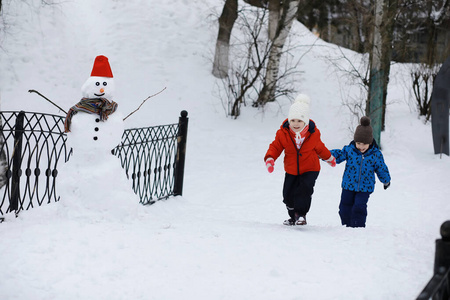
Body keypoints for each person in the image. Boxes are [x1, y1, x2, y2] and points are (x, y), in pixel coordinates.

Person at [264, 94, 336, 226]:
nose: (295, 124)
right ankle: (293, 216)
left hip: (310, 168)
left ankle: (301, 215)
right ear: (289, 120)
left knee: (304, 190)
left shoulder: (313, 134)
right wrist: (270, 158)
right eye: (293, 120)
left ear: (306, 122)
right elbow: (276, 146)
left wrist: (329, 158)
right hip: (291, 169)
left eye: (299, 121)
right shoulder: (283, 134)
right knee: (287, 195)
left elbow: (320, 148)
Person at [330, 116, 391, 228]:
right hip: (348, 185)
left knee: (359, 207)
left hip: (365, 188)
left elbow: (381, 168)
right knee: (344, 207)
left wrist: (386, 181)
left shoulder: (375, 154)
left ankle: (358, 228)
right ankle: (347, 226)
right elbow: (338, 155)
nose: (361, 146)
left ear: (370, 142)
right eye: (358, 143)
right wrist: (324, 154)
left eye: (364, 144)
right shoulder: (350, 150)